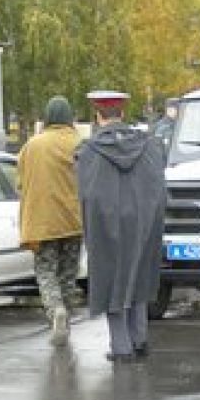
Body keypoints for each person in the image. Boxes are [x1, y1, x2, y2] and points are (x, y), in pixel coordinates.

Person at [75, 91, 166, 363]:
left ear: (98, 116)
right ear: (123, 114)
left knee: (111, 278)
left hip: (107, 223)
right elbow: (158, 187)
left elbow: (87, 194)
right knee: (138, 275)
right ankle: (139, 339)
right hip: (144, 222)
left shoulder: (90, 151)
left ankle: (121, 346)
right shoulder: (149, 145)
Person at [17, 96, 83, 346]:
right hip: (74, 220)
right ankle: (65, 316)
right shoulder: (80, 143)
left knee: (46, 271)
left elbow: (20, 182)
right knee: (68, 272)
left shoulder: (32, 146)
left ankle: (56, 310)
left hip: (42, 223)